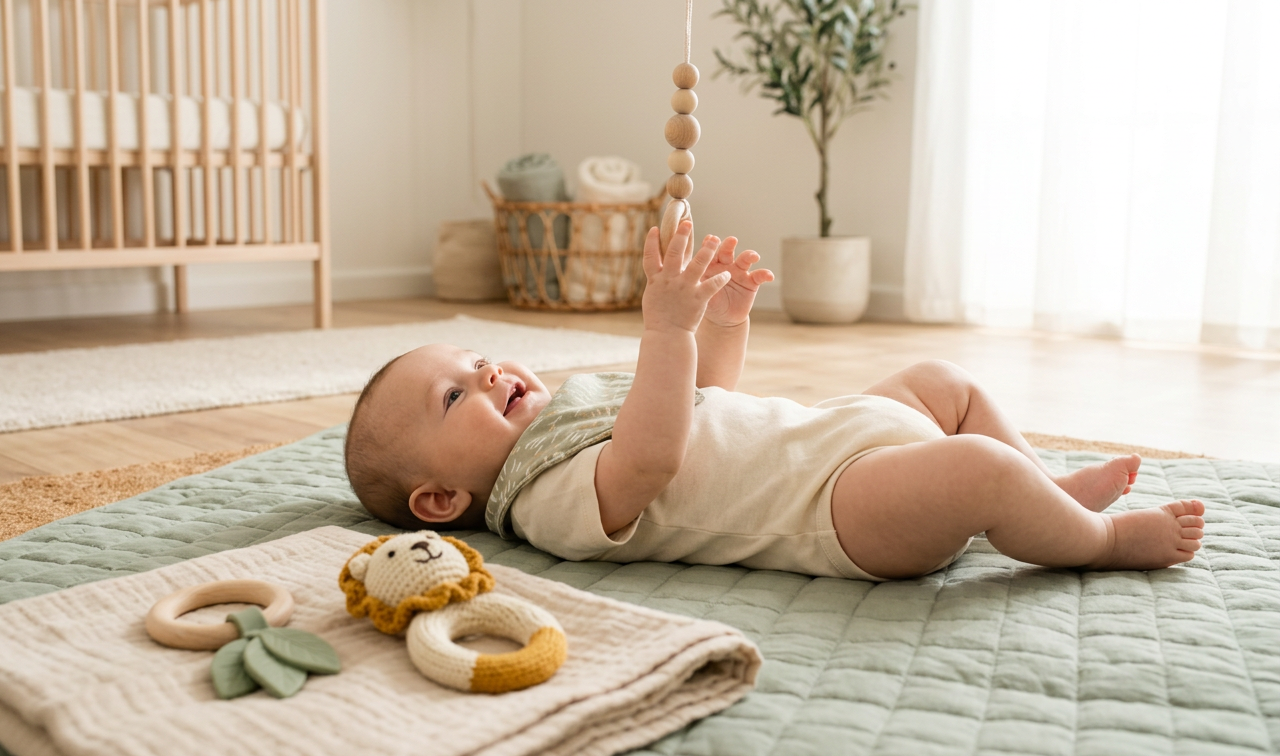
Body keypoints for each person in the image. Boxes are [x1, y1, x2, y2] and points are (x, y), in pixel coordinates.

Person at [344, 221, 1204, 580]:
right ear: (440, 500)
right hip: (836, 507)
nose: (489, 375)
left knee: (946, 384)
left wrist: (720, 322)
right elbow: (651, 456)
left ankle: (1044, 488)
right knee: (974, 470)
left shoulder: (577, 405)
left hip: (834, 432)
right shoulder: (539, 502)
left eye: (479, 360)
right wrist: (666, 332)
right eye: (456, 396)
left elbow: (708, 399)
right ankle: (1093, 541)